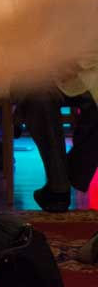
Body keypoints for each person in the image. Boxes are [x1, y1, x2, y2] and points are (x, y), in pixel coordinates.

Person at [18, 56, 98, 212]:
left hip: (88, 68)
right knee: (38, 96)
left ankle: (71, 172)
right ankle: (59, 185)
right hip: (41, 69)